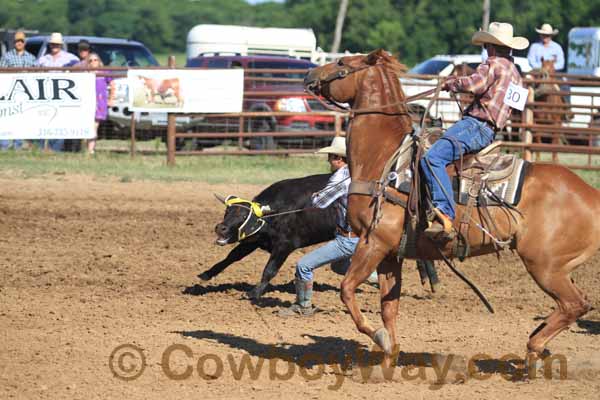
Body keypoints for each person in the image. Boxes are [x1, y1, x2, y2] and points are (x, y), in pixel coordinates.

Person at [421, 22, 528, 240]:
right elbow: (517, 107)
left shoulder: (492, 63)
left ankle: (445, 213)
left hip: (475, 125)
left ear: (490, 46)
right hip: (490, 130)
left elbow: (474, 84)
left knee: (432, 158)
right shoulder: (516, 73)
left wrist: (452, 83)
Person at [279, 136, 377, 317]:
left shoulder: (341, 177)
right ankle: (375, 277)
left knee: (304, 265)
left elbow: (320, 202)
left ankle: (303, 306)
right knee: (339, 267)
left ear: (339, 159)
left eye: (330, 157)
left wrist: (316, 195)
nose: (328, 161)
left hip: (347, 239)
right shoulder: (361, 172)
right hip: (360, 235)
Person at [37, 32, 79, 152]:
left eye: (57, 44)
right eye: (53, 44)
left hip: (62, 95)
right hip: (45, 94)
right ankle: (42, 148)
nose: (55, 46)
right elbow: (34, 72)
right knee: (44, 120)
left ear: (61, 45)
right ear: (50, 45)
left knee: (60, 122)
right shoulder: (43, 59)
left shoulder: (70, 58)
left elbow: (79, 67)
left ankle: (55, 149)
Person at [0, 31, 36, 151]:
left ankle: (17, 145)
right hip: (9, 93)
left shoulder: (31, 58)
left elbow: (36, 75)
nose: (19, 43)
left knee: (21, 120)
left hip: (25, 95)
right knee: (6, 118)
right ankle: (4, 146)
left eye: (21, 41)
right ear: (14, 42)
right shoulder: (7, 57)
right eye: (17, 41)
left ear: (24, 43)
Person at [87, 53, 113, 155]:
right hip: (87, 102)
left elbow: (112, 85)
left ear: (99, 61)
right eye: (91, 60)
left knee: (94, 125)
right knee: (87, 125)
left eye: (95, 60)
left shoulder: (105, 72)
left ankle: (90, 149)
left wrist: (111, 99)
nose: (93, 62)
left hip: (100, 101)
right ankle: (86, 148)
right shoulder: (85, 73)